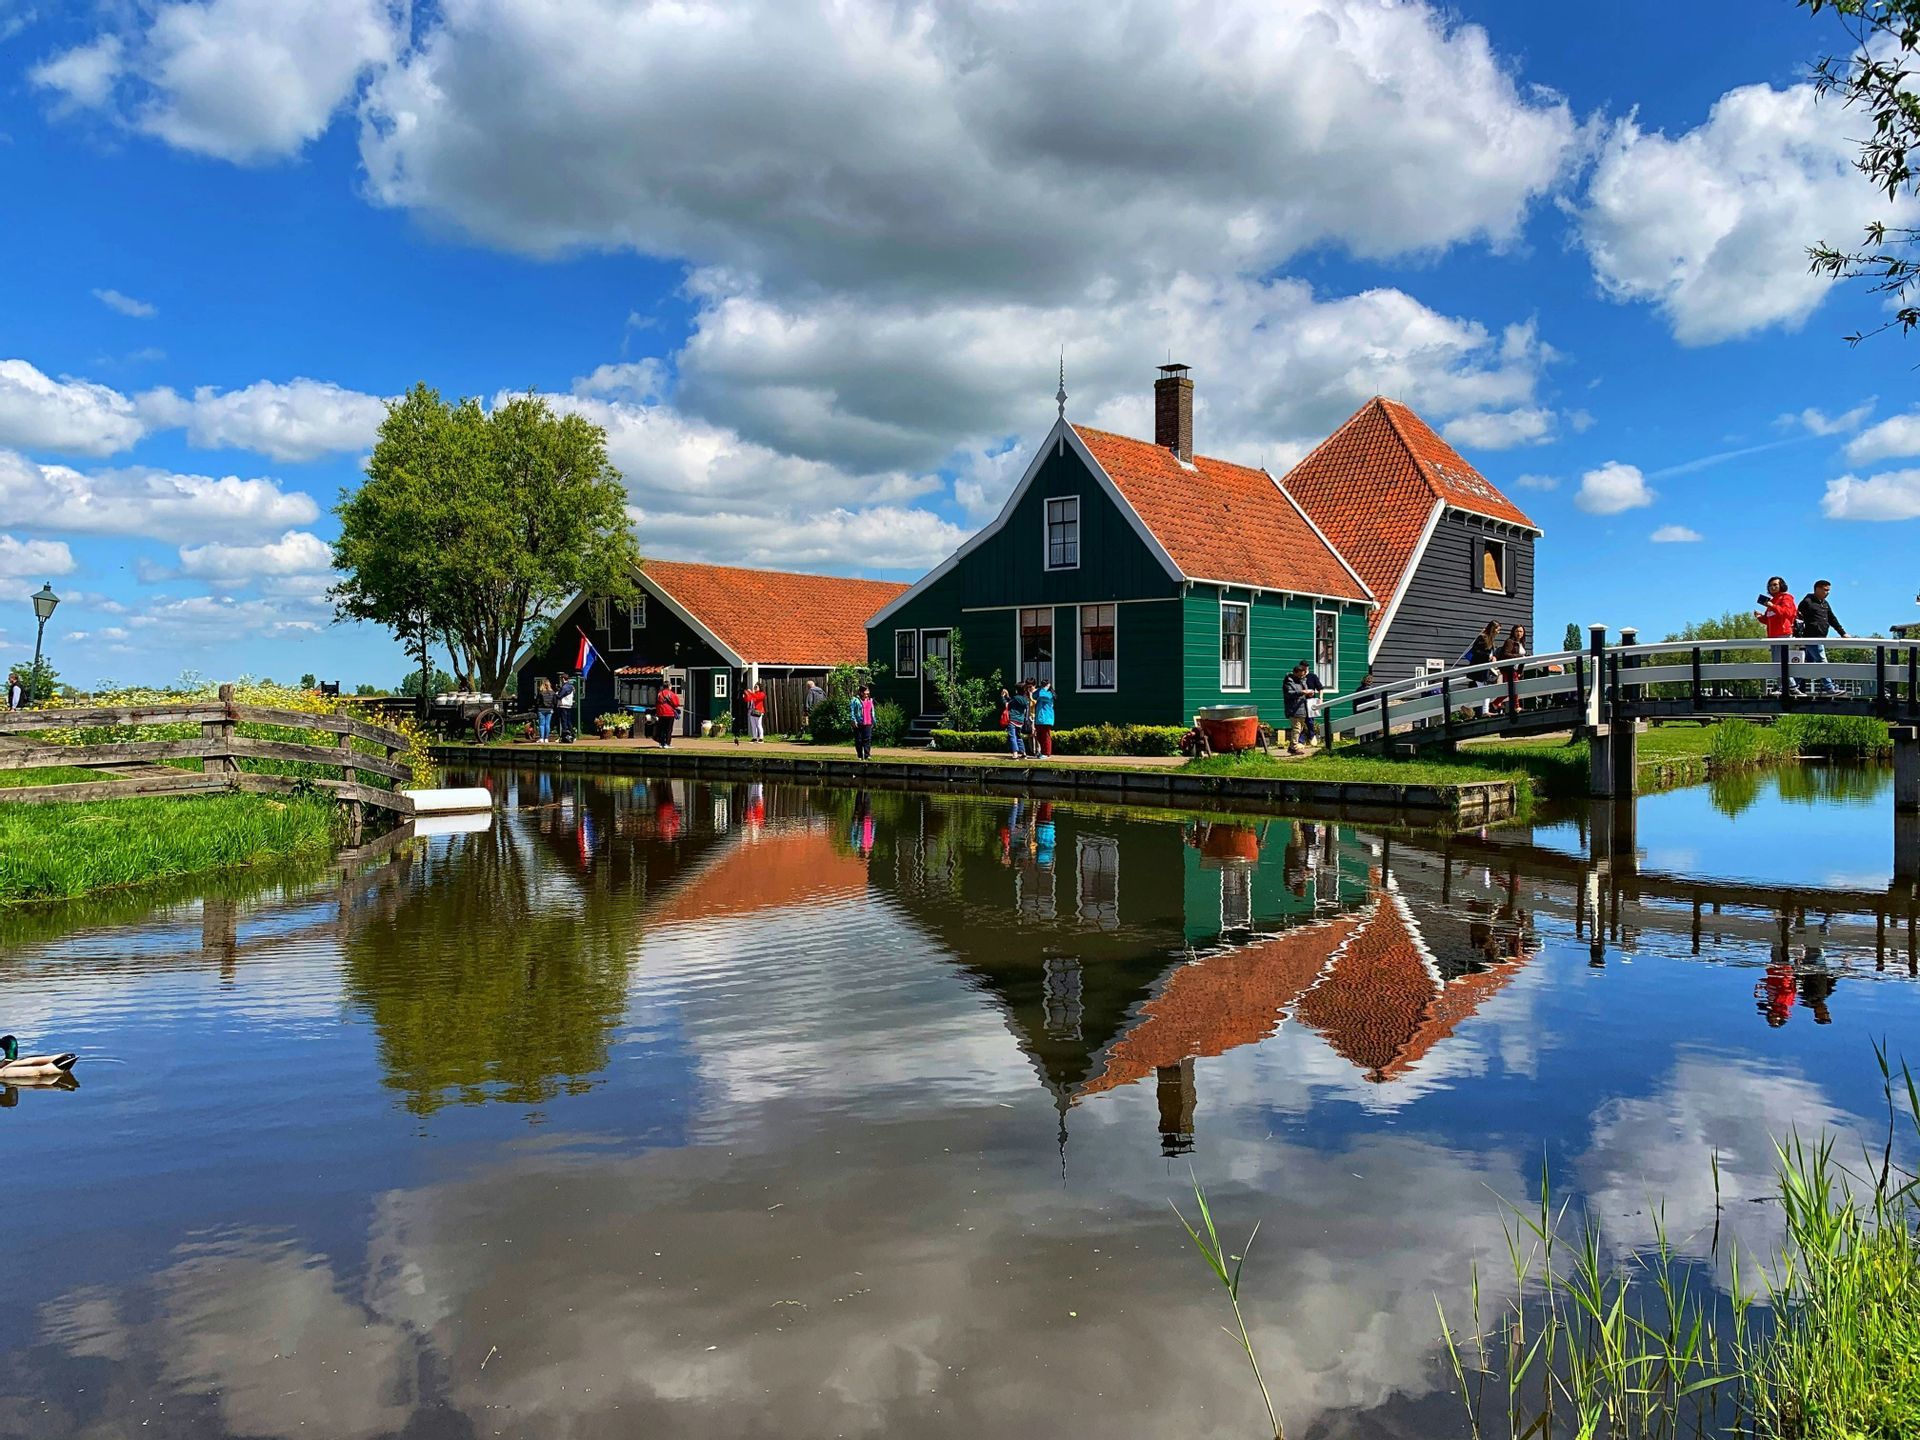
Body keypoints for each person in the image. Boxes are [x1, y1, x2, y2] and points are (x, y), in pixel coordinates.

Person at [1797, 579, 1847, 696]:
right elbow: (1798, 619)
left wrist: (1842, 633)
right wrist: (1799, 636)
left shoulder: (1824, 603)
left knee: (1808, 664)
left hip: (1820, 637)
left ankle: (1792, 685)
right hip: (1811, 637)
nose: (1828, 593)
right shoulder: (1807, 602)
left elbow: (1832, 619)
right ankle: (1829, 688)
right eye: (1825, 590)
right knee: (1822, 661)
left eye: (1828, 590)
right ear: (1817, 589)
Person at [1755, 576, 1801, 695]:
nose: (1773, 587)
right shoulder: (1772, 601)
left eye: (1775, 585)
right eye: (1770, 585)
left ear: (1781, 585)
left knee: (1781, 662)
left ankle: (1790, 686)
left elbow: (1788, 613)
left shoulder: (1786, 597)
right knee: (1777, 662)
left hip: (1783, 634)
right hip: (1773, 636)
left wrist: (1772, 606)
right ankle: (1785, 686)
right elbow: (1768, 619)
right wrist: (1760, 617)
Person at [1283, 661, 1312, 754]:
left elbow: (1304, 692)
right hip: (1293, 709)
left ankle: (1292, 747)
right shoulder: (1288, 682)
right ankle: (1294, 747)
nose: (1301, 677)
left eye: (1303, 675)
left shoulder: (1303, 681)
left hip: (1302, 708)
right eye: (1300, 675)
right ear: (1295, 673)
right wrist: (1302, 692)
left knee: (1300, 729)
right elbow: (1289, 694)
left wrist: (1309, 693)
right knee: (1296, 728)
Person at [850, 683, 876, 760]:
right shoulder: (855, 700)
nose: (867, 695)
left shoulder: (870, 701)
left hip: (868, 722)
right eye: (865, 693)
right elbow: (852, 711)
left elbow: (872, 712)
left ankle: (867, 755)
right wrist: (853, 720)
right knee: (859, 740)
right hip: (858, 722)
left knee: (867, 739)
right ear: (861, 692)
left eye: (868, 693)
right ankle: (860, 756)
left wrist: (874, 721)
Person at [1032, 677, 1056, 757]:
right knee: (1039, 736)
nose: (1043, 686)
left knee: (1046, 737)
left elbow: (1042, 696)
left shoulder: (1050, 694)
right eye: (1042, 684)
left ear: (1048, 685)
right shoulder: (1041, 692)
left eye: (1044, 685)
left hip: (1046, 719)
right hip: (1039, 719)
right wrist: (1040, 689)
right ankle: (1042, 752)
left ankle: (1046, 753)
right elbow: (1034, 695)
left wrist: (1045, 688)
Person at [1006, 681, 1029, 757]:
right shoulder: (1025, 700)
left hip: (1012, 719)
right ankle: (1023, 752)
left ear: (1017, 690)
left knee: (1012, 736)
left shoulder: (1015, 698)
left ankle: (1015, 753)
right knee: (1018, 736)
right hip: (1020, 721)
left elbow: (1007, 704)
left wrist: (1003, 697)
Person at [654, 680, 680, 746]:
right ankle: (667, 743)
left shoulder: (659, 694)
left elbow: (656, 703)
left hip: (661, 713)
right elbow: (676, 704)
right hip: (670, 713)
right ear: (669, 686)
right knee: (669, 729)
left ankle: (661, 743)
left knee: (662, 728)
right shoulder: (671, 694)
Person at [742, 677, 768, 741]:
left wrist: (750, 693)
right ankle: (754, 737)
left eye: (756, 687)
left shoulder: (762, 694)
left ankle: (761, 737)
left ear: (759, 688)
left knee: (759, 725)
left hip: (758, 711)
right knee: (753, 725)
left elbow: (758, 697)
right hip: (752, 711)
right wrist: (745, 696)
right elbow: (748, 700)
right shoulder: (753, 694)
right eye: (755, 687)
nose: (755, 688)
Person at [555, 673, 577, 743]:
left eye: (561, 679)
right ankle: (572, 735)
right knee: (568, 721)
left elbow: (560, 696)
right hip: (569, 705)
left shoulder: (564, 687)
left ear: (563, 679)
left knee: (563, 721)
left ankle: (565, 736)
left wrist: (556, 693)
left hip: (563, 705)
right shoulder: (572, 687)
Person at [534, 677, 555, 742]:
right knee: (547, 724)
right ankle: (546, 738)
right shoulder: (553, 693)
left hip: (541, 709)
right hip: (549, 709)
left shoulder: (541, 693)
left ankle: (541, 738)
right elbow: (554, 701)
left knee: (541, 724)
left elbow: (537, 702)